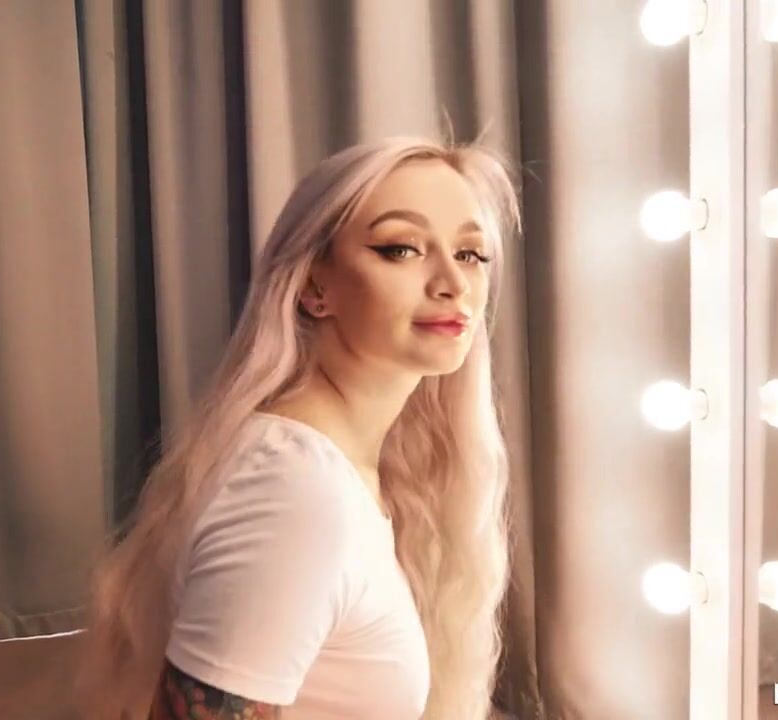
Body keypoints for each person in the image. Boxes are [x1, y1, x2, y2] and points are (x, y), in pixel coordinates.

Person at [75, 136, 521, 720]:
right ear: (314, 287)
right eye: (401, 249)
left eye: (470, 254)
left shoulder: (348, 466)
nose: (453, 284)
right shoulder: (296, 489)